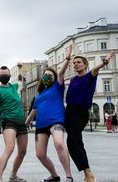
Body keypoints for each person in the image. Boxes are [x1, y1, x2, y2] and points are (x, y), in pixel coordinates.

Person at [65, 51, 115, 182]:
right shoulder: (73, 79)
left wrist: (104, 62)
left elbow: (95, 69)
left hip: (81, 112)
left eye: (79, 62)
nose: (76, 64)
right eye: (74, 63)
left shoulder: (90, 76)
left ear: (85, 64)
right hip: (69, 111)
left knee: (71, 143)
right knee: (78, 143)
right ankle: (87, 175)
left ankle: (89, 173)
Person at [26, 45, 73, 182]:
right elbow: (32, 114)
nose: (47, 76)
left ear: (54, 77)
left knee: (59, 144)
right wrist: (23, 126)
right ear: (42, 78)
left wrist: (67, 58)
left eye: (50, 75)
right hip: (40, 126)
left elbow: (61, 72)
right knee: (40, 154)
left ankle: (69, 176)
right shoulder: (38, 96)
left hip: (56, 121)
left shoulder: (57, 87)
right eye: (45, 75)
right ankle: (54, 175)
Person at [0, 66, 28, 182]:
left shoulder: (13, 87)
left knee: (22, 151)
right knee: (10, 148)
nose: (4, 76)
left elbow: (21, 82)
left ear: (9, 76)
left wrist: (20, 69)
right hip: (8, 120)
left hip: (21, 120)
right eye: (1, 74)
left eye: (6, 74)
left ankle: (13, 176)